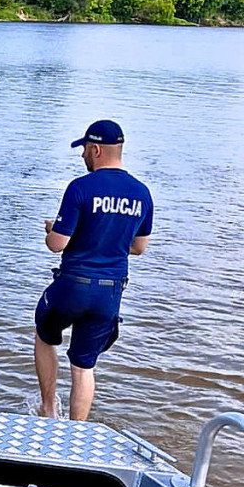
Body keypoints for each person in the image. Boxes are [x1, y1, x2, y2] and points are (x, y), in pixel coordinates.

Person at [34, 120, 153, 421]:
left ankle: (48, 408)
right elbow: (138, 247)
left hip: (73, 284)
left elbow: (57, 244)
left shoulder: (81, 187)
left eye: (85, 149)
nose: (83, 156)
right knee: (84, 365)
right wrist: (107, 237)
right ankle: (78, 432)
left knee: (45, 334)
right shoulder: (142, 193)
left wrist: (53, 229)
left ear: (96, 149)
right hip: (110, 291)